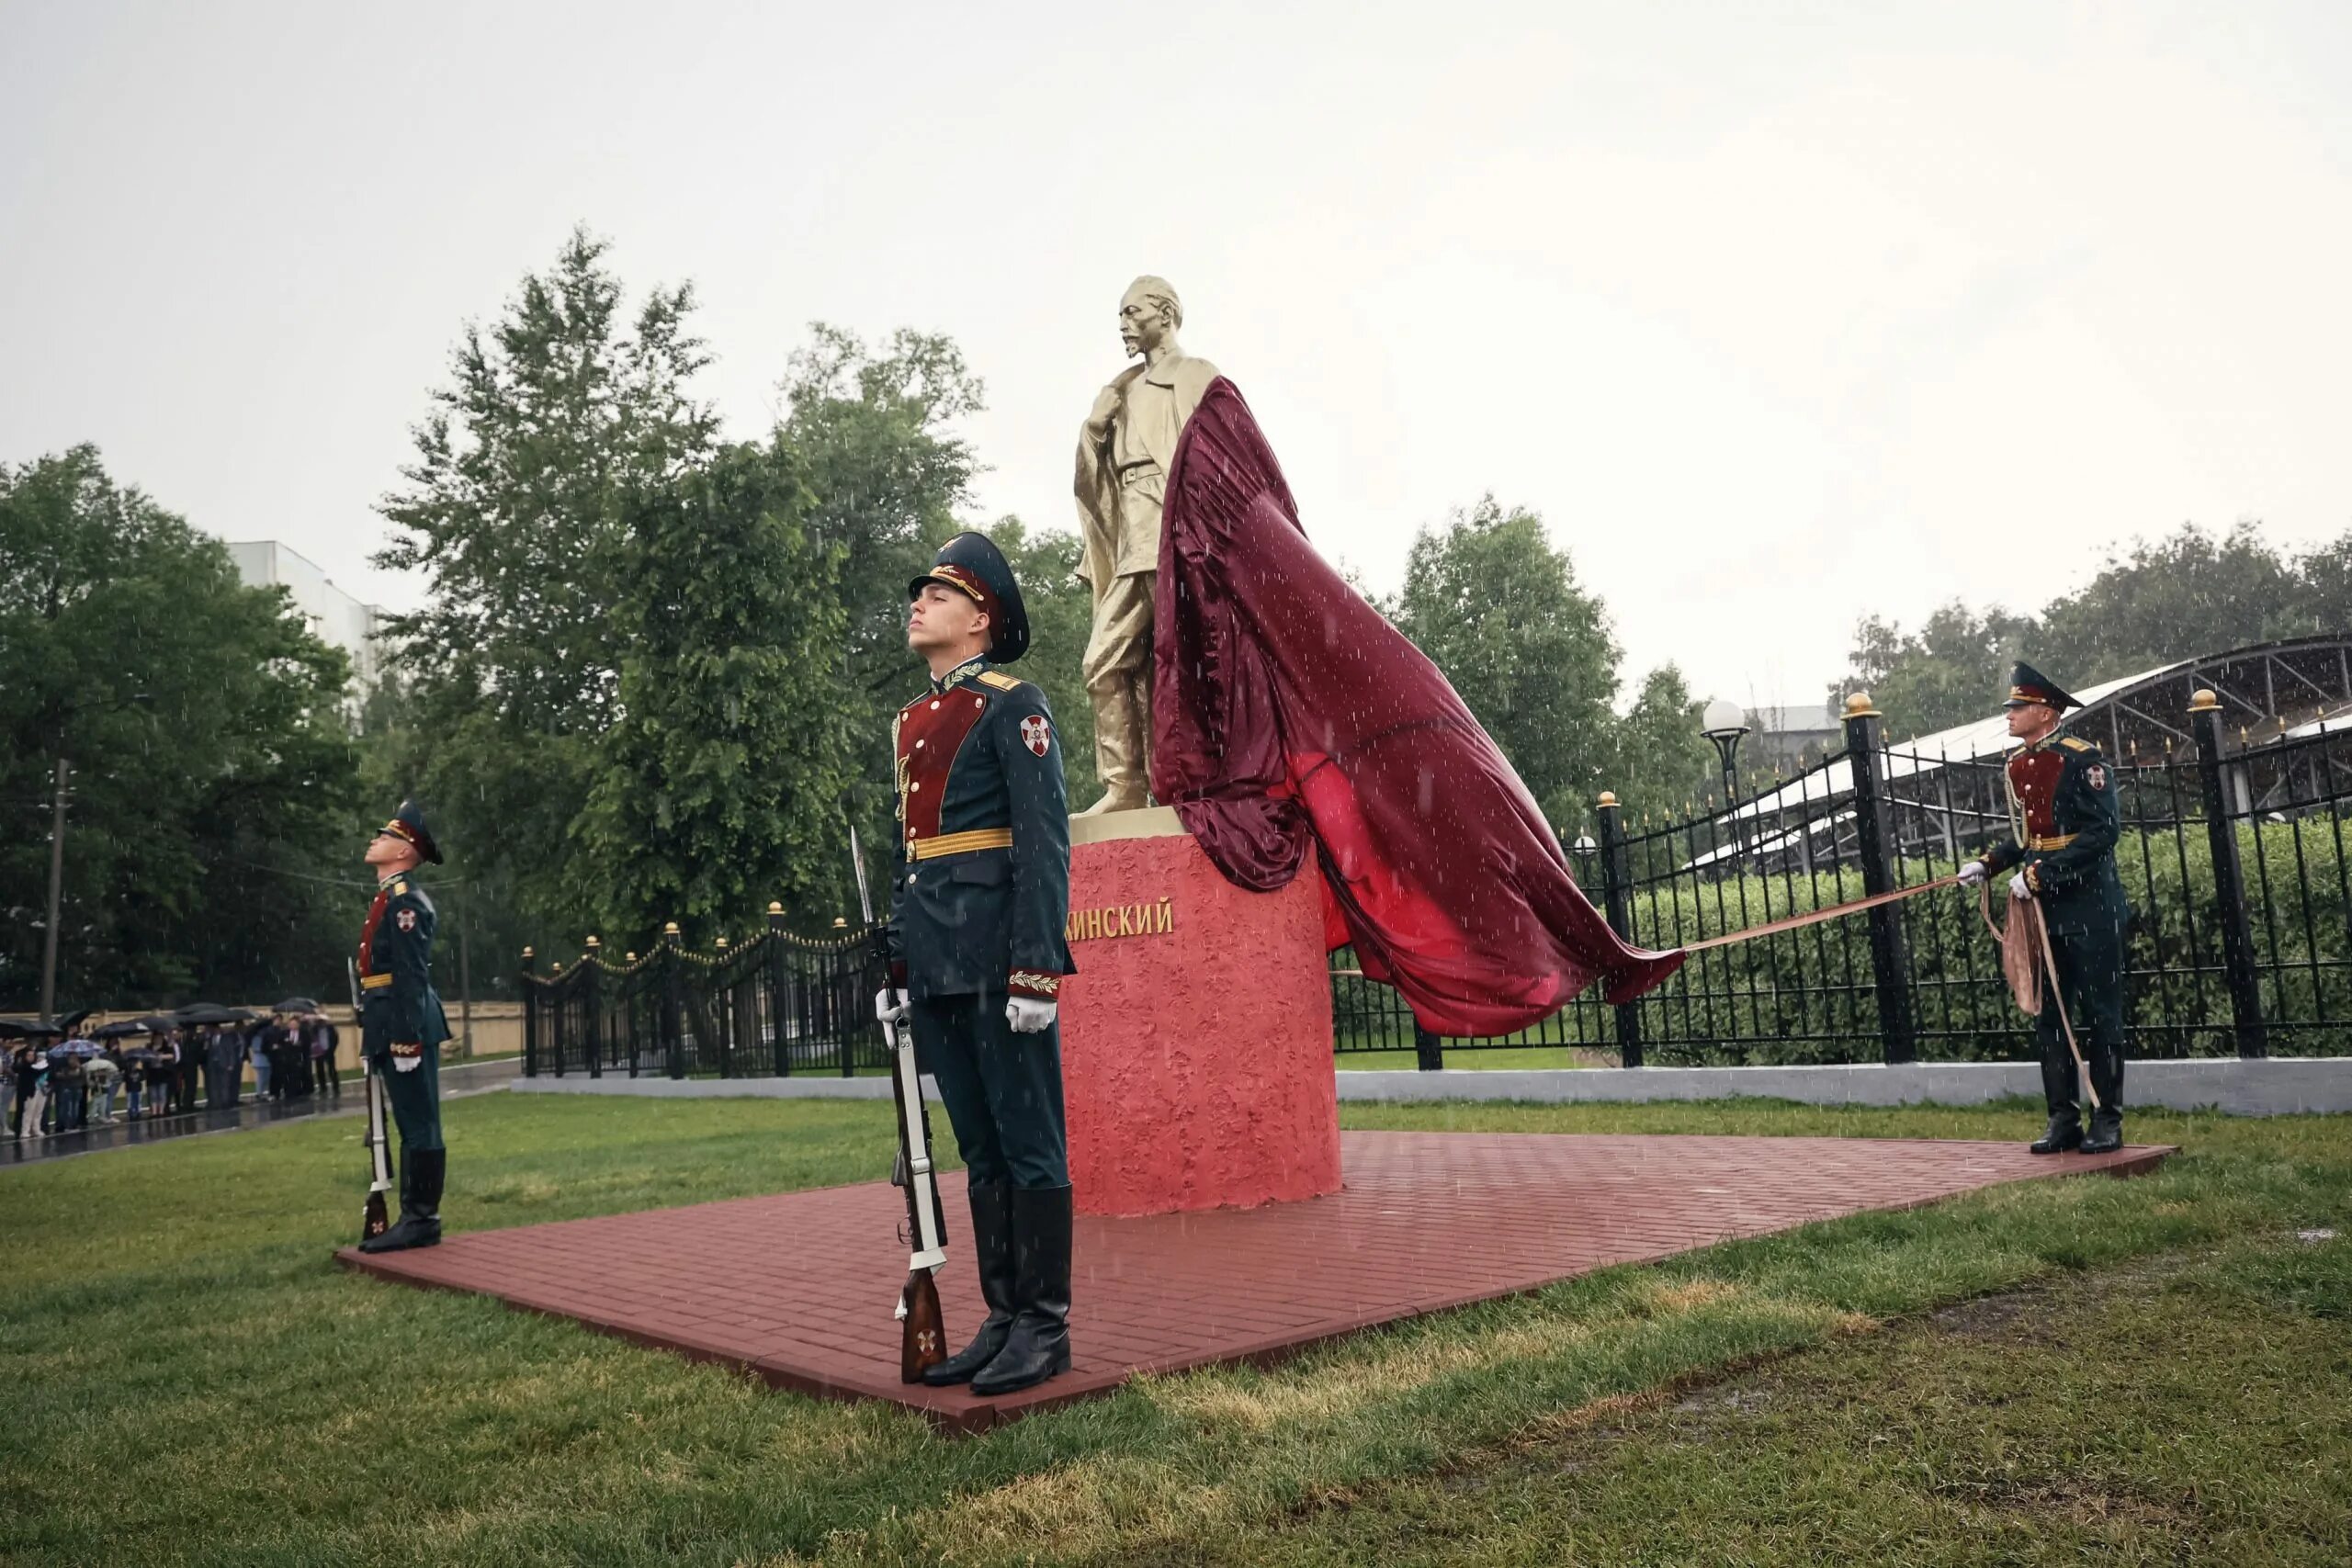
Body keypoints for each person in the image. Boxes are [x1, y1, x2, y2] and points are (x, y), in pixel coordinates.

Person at [878, 533, 1077, 1395]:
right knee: (981, 1150)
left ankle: (1046, 1324)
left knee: (1031, 1147)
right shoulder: (911, 720)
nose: (918, 602)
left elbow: (1043, 848)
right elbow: (914, 854)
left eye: (940, 593)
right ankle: (1003, 1315)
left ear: (981, 618)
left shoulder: (1014, 706)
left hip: (999, 964)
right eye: (918, 592)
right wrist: (898, 967)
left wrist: (1037, 971)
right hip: (938, 966)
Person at [1960, 662, 2131, 1155]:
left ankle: (2108, 1119)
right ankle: (2063, 1120)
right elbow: (2028, 839)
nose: (2009, 715)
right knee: (2050, 1019)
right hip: (2044, 913)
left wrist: (2038, 875)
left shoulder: (2083, 760)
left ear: (2046, 711)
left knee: (2102, 1016)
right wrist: (1988, 863)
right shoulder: (2017, 764)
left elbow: (2102, 833)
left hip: (2091, 907)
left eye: (2018, 707)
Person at [1070, 276, 1220, 814]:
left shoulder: (1197, 376)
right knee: (1105, 661)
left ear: (1166, 312)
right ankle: (1125, 786)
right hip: (1132, 538)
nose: (1123, 325)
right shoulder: (1122, 388)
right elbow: (1093, 486)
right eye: (1120, 315)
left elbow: (1220, 463)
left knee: (1180, 665)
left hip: (1175, 534)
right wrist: (1093, 429)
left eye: (1133, 312)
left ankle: (1191, 784)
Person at [356, 798, 453, 1253]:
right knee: (409, 1122)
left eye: (385, 835)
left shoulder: (405, 902)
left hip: (404, 1022)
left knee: (419, 1124)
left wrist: (406, 1037)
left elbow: (411, 975)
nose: (375, 839)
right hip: (389, 1017)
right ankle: (415, 1217)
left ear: (403, 851)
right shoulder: (388, 897)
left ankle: (421, 1219)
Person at [309, 1013, 340, 1099]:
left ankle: (335, 1086)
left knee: (332, 1070)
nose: (320, 1023)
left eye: (322, 1021)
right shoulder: (314, 1029)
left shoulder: (331, 1029)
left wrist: (332, 1049)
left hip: (329, 1051)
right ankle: (323, 1087)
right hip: (319, 1052)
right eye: (319, 1021)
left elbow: (335, 1039)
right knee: (320, 1071)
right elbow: (312, 1039)